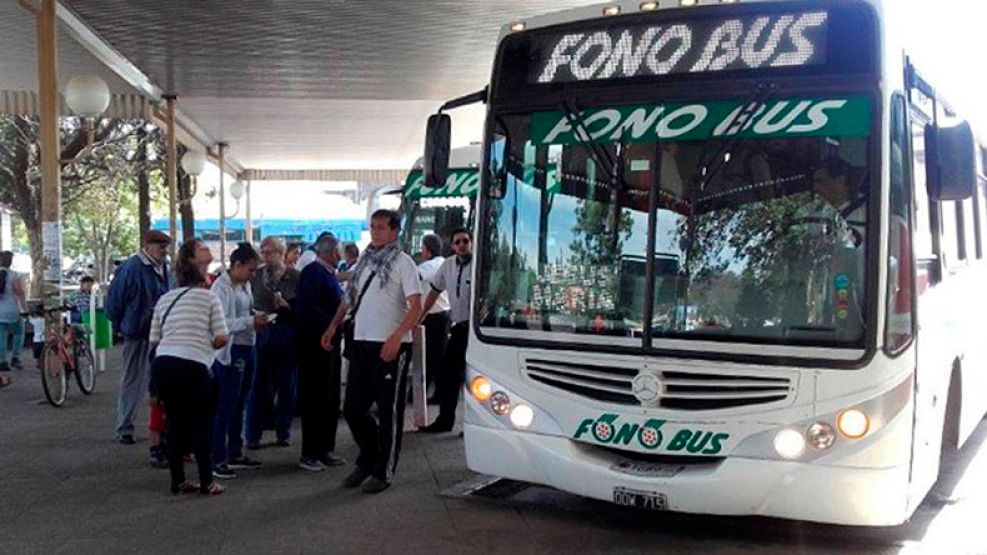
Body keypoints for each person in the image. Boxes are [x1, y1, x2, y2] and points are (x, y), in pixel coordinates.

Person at [322, 210, 422, 493]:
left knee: (389, 411)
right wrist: (332, 327)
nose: (376, 232)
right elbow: (349, 299)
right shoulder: (365, 261)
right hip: (362, 343)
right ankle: (369, 455)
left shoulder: (404, 263)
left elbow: (416, 305)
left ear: (394, 232)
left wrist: (397, 337)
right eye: (373, 227)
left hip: (390, 344)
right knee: (353, 408)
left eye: (381, 228)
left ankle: (383, 469)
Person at [149, 241, 229, 496]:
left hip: (164, 365)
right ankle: (207, 482)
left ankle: (178, 481)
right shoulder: (209, 298)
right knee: (201, 424)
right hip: (194, 366)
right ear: (203, 279)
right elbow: (221, 337)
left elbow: (154, 338)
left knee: (174, 423)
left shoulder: (164, 299)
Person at [105, 230, 174, 445]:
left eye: (166, 247)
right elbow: (114, 302)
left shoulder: (162, 267)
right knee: (133, 379)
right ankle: (125, 426)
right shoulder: (132, 268)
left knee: (159, 382)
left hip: (159, 332)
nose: (164, 251)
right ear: (148, 246)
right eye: (161, 246)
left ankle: (160, 427)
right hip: (137, 331)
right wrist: (121, 326)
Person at [211, 243, 267, 480]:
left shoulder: (244, 285)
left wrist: (255, 317)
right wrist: (249, 322)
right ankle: (218, 457)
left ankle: (235, 450)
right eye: (250, 270)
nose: (253, 275)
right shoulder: (220, 288)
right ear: (236, 265)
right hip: (230, 351)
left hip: (248, 345)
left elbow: (245, 312)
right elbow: (222, 323)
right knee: (226, 404)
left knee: (241, 400)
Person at [296, 233, 346, 471]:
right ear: (327, 252)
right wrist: (332, 324)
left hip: (330, 345)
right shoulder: (313, 273)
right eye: (337, 251)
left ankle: (326, 448)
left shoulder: (328, 274)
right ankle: (310, 452)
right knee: (316, 398)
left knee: (330, 397)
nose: (340, 255)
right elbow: (307, 310)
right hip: (315, 347)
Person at [248, 236, 300, 449]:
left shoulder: (296, 276)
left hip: (286, 332)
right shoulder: (256, 276)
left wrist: (288, 307)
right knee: (257, 384)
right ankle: (252, 434)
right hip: (261, 331)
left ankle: (283, 431)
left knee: (286, 384)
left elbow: (302, 308)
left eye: (269, 252)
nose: (265, 256)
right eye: (263, 252)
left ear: (281, 253)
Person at [419, 228, 473, 433]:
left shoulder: (479, 265)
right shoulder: (447, 265)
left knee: (474, 378)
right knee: (447, 375)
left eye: (465, 241)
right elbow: (434, 290)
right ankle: (445, 420)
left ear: (471, 243)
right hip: (458, 327)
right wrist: (421, 315)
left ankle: (472, 425)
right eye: (457, 242)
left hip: (476, 330)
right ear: (452, 246)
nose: (462, 245)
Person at [416, 234, 450, 401]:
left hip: (434, 316)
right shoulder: (442, 262)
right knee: (437, 356)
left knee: (430, 357)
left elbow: (413, 277)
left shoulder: (430, 266)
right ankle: (438, 393)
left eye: (422, 248)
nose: (421, 252)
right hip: (442, 315)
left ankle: (424, 394)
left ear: (428, 250)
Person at [0, 251, 26, 387]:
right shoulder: (14, 275)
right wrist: (24, 308)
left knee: (1, 336)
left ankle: (2, 360)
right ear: (10, 261)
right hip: (12, 310)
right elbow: (20, 292)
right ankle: (15, 357)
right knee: (19, 332)